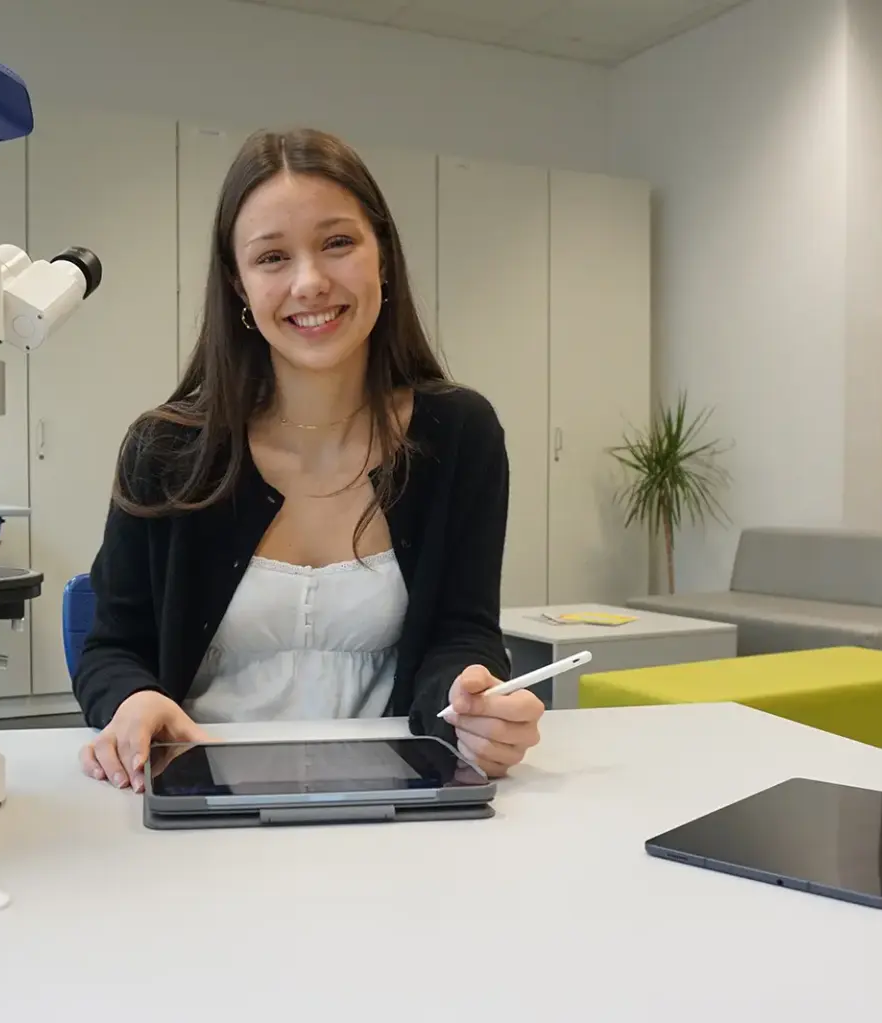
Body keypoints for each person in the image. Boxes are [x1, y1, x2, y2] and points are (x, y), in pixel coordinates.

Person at [72, 126, 543, 792]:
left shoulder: (458, 433)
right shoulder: (167, 449)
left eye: (338, 243)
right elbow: (113, 646)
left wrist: (471, 700)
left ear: (382, 254)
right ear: (237, 282)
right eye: (272, 258)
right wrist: (133, 701)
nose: (311, 282)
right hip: (201, 797)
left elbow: (461, 631)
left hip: (392, 799)